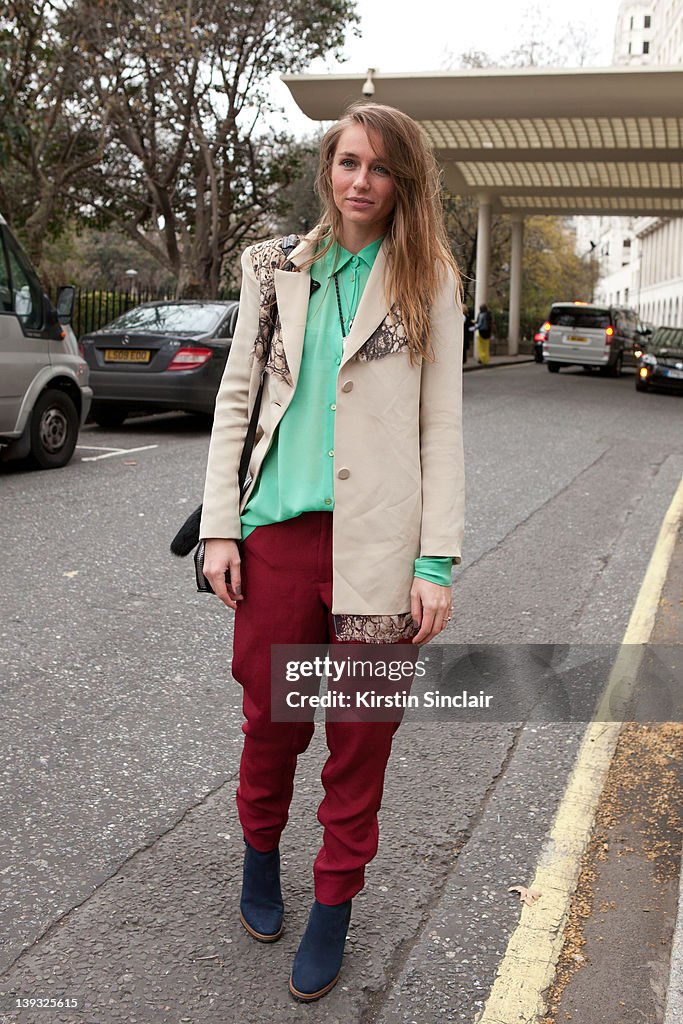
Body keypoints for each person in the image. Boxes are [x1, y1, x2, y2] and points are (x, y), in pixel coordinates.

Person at [199, 102, 465, 1002]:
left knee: (358, 741)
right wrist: (219, 527)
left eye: (380, 167)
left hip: (381, 552)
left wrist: (436, 562)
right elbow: (237, 399)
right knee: (271, 724)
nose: (360, 180)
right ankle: (260, 855)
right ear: (328, 169)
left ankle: (335, 904)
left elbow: (442, 429)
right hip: (276, 533)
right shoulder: (273, 268)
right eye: (348, 161)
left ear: (403, 183)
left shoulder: (429, 277)